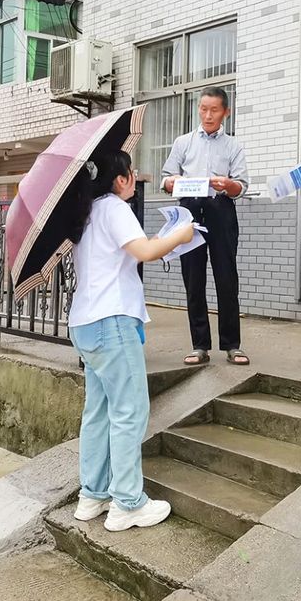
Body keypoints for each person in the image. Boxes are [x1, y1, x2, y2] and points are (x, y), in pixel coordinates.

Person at [65, 150, 195, 532]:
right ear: (121, 179)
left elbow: (130, 251)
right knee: (129, 412)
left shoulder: (87, 212)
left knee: (98, 412)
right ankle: (127, 503)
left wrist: (160, 239)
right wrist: (182, 233)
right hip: (112, 323)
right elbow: (146, 253)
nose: (135, 178)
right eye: (132, 172)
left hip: (85, 324)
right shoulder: (115, 208)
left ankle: (92, 495)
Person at [161, 86, 251, 367]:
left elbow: (241, 186)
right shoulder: (183, 142)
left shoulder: (233, 146)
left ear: (226, 112)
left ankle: (232, 345)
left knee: (227, 278)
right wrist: (172, 182)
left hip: (221, 210)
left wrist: (229, 185)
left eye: (214, 110)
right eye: (203, 109)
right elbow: (166, 179)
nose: (208, 115)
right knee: (193, 279)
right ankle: (199, 345)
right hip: (189, 211)